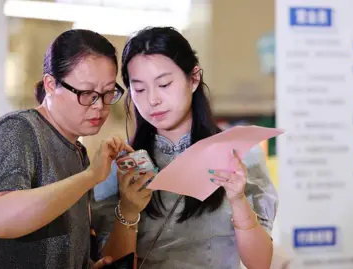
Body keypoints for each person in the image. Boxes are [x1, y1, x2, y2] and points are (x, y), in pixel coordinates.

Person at [93, 27, 278, 269]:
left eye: (164, 84)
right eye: (139, 89)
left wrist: (238, 199)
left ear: (194, 78)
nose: (152, 100)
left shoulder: (238, 154)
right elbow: (109, 263)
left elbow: (260, 263)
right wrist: (127, 212)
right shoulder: (120, 166)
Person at [0, 29, 141, 269]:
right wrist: (90, 177)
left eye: (108, 93)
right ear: (50, 84)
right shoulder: (18, 130)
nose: (99, 106)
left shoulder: (77, 152)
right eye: (87, 94)